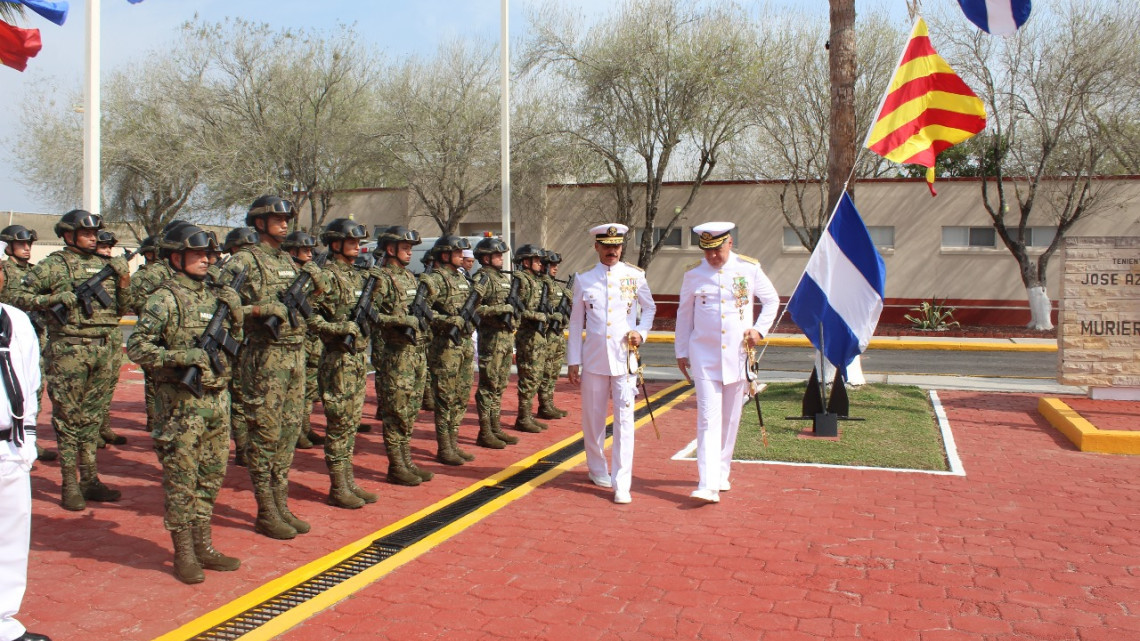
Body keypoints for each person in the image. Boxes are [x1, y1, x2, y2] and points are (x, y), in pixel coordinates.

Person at [126, 224, 243, 583]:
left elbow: (233, 343)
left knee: (210, 477)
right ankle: (184, 553)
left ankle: (204, 545)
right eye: (198, 254)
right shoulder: (165, 298)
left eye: (210, 254)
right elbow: (137, 347)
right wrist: (182, 356)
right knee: (181, 481)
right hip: (180, 407)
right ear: (176, 257)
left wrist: (236, 315)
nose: (207, 260)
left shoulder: (217, 296)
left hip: (216, 401)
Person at [14, 210, 131, 511]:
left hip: (104, 348)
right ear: (69, 235)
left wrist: (124, 278)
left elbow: (124, 309)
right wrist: (49, 300)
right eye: (87, 233)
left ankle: (90, 478)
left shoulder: (106, 265)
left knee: (92, 419)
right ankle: (69, 483)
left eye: (95, 233)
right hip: (69, 349)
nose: (94, 238)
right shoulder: (54, 265)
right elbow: (14, 294)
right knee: (69, 419)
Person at [222, 196, 320, 539]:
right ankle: (265, 510)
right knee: (265, 434)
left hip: (294, 355)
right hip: (264, 358)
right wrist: (260, 311)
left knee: (289, 433)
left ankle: (281, 503)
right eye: (276, 218)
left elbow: (307, 305)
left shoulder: (289, 263)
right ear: (259, 223)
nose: (284, 223)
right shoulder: (242, 261)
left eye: (286, 218)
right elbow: (221, 306)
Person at [675, 222, 779, 503]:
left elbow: (772, 301)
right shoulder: (694, 275)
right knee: (708, 418)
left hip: (737, 355)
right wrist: (681, 351)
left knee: (731, 418)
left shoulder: (748, 268)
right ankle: (707, 483)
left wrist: (759, 330)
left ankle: (721, 472)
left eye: (716, 250)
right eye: (706, 251)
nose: (712, 257)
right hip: (704, 355)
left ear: (729, 243)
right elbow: (684, 315)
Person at [566, 224, 655, 504]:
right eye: (606, 246)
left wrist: (641, 332)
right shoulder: (584, 279)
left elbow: (649, 308)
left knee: (625, 421)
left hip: (624, 359)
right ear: (597, 247)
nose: (612, 251)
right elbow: (576, 322)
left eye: (616, 246)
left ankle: (622, 481)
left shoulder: (635, 276)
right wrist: (573, 361)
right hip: (593, 360)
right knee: (593, 420)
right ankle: (596, 468)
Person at [309, 219, 376, 508]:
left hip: (358, 359)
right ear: (335, 244)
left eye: (358, 242)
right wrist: (339, 329)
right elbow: (308, 316)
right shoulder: (325, 277)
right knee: (338, 423)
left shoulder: (359, 276)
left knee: (350, 423)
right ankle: (338, 487)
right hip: (337, 359)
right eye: (351, 242)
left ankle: (348, 481)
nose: (357, 246)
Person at [0, 261, 51, 641]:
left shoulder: (15, 320)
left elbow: (29, 382)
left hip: (9, 444)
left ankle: (3, 621)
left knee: (11, 536)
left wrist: (28, 439)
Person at [369, 226, 433, 486]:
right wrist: (399, 320)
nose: (409, 252)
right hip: (395, 355)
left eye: (410, 248)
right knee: (396, 411)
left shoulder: (409, 277)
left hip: (415, 353)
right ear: (391, 249)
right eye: (405, 248)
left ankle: (406, 459)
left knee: (410, 410)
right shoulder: (380, 278)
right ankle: (396, 465)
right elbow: (370, 314)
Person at [0, 225, 56, 463]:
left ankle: (28, 435)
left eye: (29, 245)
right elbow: (10, 298)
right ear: (9, 246)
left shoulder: (35, 272)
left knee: (34, 387)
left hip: (34, 335)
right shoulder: (5, 270)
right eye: (21, 244)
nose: (26, 249)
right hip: (9, 339)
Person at [424, 236, 477, 465]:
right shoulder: (434, 280)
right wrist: (447, 320)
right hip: (445, 346)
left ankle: (454, 442)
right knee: (445, 397)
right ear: (444, 255)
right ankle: (444, 446)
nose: (462, 255)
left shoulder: (462, 278)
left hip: (463, 344)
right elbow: (422, 311)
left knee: (461, 395)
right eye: (456, 252)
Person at [470, 237, 518, 449]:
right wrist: (501, 310)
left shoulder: (502, 278)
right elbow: (473, 309)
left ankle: (495, 426)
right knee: (488, 385)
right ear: (486, 258)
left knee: (499, 384)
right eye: (497, 255)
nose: (501, 258)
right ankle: (485, 431)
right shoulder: (482, 279)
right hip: (491, 339)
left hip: (505, 338)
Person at [281, 231, 327, 451]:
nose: (310, 255)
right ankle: (296, 432)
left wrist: (316, 276)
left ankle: (305, 427)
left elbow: (320, 296)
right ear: (292, 252)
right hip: (289, 341)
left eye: (311, 251)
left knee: (307, 389)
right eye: (305, 251)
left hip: (308, 340)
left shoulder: (307, 276)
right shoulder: (288, 275)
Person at [219, 227, 258, 466]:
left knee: (248, 397)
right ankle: (242, 447)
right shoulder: (231, 269)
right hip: (236, 342)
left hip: (251, 341)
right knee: (239, 396)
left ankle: (248, 445)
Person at [511, 244, 551, 434]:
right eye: (535, 260)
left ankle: (528, 415)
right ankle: (523, 417)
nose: (539, 264)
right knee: (528, 376)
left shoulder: (536, 280)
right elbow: (516, 306)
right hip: (527, 335)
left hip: (538, 335)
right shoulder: (521, 280)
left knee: (536, 376)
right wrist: (536, 316)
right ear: (525, 262)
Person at [94, 231, 128, 448]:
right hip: (91, 336)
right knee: (92, 388)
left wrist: (124, 279)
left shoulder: (113, 273)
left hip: (112, 333)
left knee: (108, 384)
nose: (107, 252)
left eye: (109, 248)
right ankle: (92, 430)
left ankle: (103, 426)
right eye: (103, 247)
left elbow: (124, 305)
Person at [538, 251, 570, 420]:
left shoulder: (555, 285)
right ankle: (544, 404)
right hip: (547, 333)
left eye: (557, 266)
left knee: (554, 370)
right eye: (553, 266)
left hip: (558, 333)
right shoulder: (542, 285)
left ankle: (549, 402)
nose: (556, 269)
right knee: (547, 369)